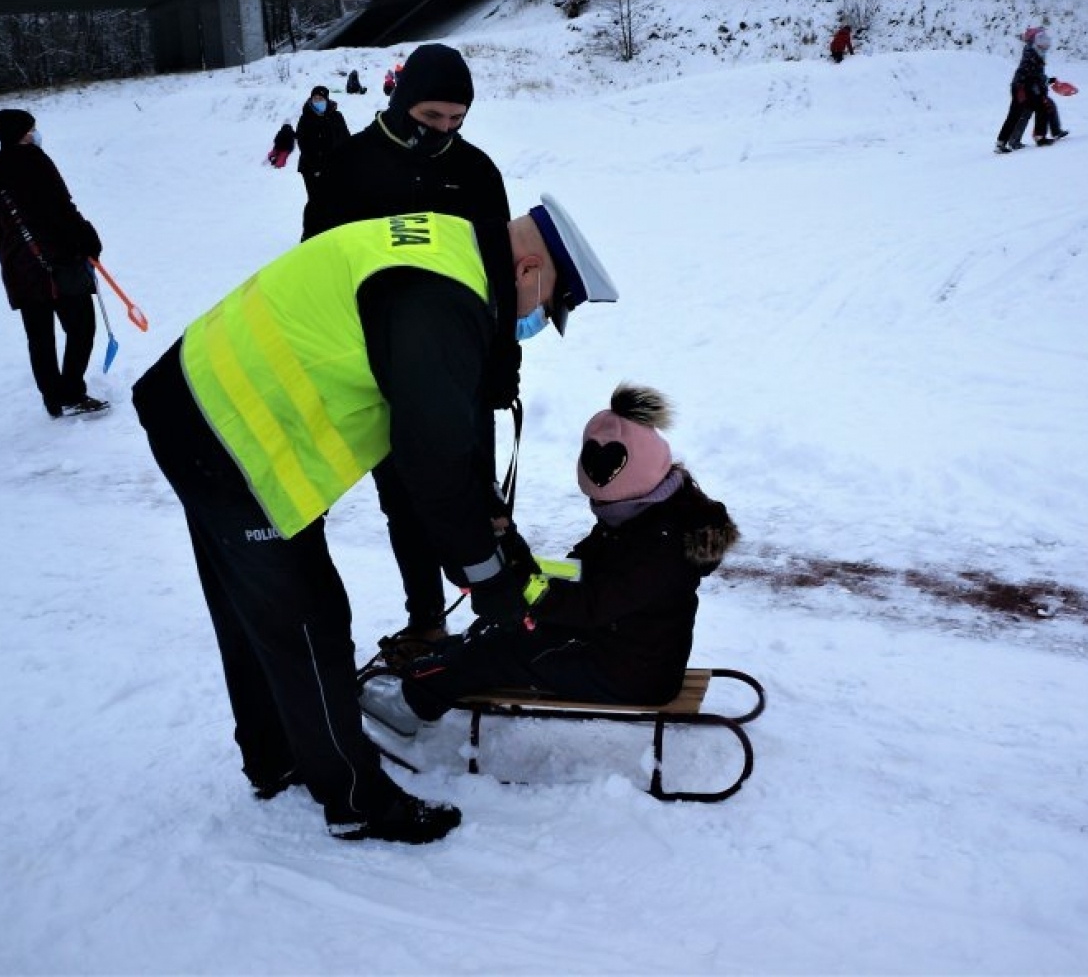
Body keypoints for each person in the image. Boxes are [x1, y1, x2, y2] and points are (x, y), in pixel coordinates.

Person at [131, 199, 619, 845]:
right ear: (529, 267)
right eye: (549, 304)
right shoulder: (444, 300)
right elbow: (431, 462)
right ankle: (354, 798)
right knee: (309, 622)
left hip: (195, 400)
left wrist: (492, 527)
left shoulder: (451, 248)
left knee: (257, 608)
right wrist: (484, 574)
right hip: (232, 435)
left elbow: (445, 429)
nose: (538, 318)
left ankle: (275, 756)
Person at [359, 383, 739, 737]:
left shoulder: (658, 544)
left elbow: (591, 605)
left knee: (506, 649)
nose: (601, 513)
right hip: (620, 645)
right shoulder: (651, 511)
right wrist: (524, 561)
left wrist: (529, 588)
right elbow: (587, 564)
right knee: (507, 629)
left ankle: (411, 705)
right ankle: (437, 666)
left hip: (629, 671)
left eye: (606, 505)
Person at [303, 43, 516, 667]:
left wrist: (504, 360)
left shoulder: (476, 170)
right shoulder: (350, 164)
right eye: (431, 117)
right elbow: (317, 263)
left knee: (474, 493)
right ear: (399, 103)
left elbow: (498, 273)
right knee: (404, 497)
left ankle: (496, 618)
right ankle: (425, 620)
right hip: (378, 367)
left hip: (463, 366)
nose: (444, 131)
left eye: (456, 120)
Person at [0, 108, 108, 419]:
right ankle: (72, 392)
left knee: (39, 336)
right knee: (82, 327)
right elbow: (62, 208)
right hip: (58, 262)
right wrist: (89, 241)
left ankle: (53, 398)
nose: (36, 133)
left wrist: (10, 261)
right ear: (22, 133)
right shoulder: (35, 160)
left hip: (19, 267)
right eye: (33, 128)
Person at [294, 85, 349, 221]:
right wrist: (316, 168)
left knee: (336, 201)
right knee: (316, 203)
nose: (318, 101)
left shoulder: (336, 116)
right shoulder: (306, 119)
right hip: (312, 169)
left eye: (321, 98)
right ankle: (312, 234)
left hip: (334, 166)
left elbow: (346, 138)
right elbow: (303, 145)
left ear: (326, 99)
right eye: (315, 98)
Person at [995, 27, 1051, 153]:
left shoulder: (1035, 52)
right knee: (1017, 114)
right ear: (1035, 40)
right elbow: (1032, 73)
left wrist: (1044, 82)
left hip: (1024, 86)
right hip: (1022, 87)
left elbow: (1037, 73)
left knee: (1036, 109)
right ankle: (1003, 143)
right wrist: (1040, 84)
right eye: (1041, 39)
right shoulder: (1031, 52)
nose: (1045, 43)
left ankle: (1003, 142)